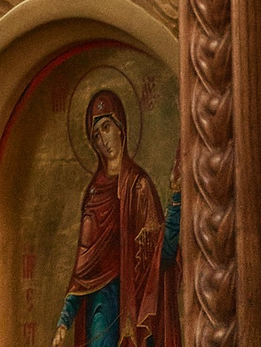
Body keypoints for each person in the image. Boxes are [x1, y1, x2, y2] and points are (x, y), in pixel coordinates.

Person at [50, 88, 178, 347]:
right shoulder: (94, 194)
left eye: (106, 127)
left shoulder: (139, 186)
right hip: (102, 304)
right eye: (96, 135)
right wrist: (64, 321)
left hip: (138, 302)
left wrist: (176, 202)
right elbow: (84, 266)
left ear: (121, 127)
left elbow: (162, 252)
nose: (103, 140)